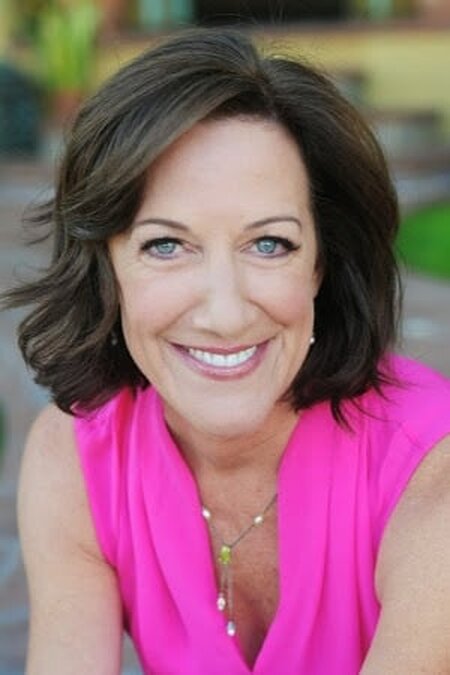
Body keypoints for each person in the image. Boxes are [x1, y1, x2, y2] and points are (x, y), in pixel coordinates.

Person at [4, 28, 450, 674]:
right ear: (108, 268)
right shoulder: (79, 456)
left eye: (269, 244)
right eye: (165, 245)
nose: (225, 313)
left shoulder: (432, 474)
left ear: (321, 264)